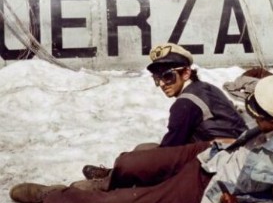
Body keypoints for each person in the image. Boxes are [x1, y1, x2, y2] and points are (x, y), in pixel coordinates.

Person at [9, 75, 273, 203]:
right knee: (130, 161)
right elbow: (247, 142)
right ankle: (111, 180)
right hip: (209, 152)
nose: (254, 118)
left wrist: (240, 200)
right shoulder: (271, 122)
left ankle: (53, 195)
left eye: (260, 116)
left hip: (206, 184)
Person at [81, 42, 249, 180]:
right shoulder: (205, 87)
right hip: (233, 154)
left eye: (168, 76)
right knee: (143, 148)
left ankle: (110, 178)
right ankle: (115, 173)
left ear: (186, 73)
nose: (162, 84)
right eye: (157, 78)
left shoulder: (185, 103)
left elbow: (169, 151)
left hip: (218, 162)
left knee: (140, 157)